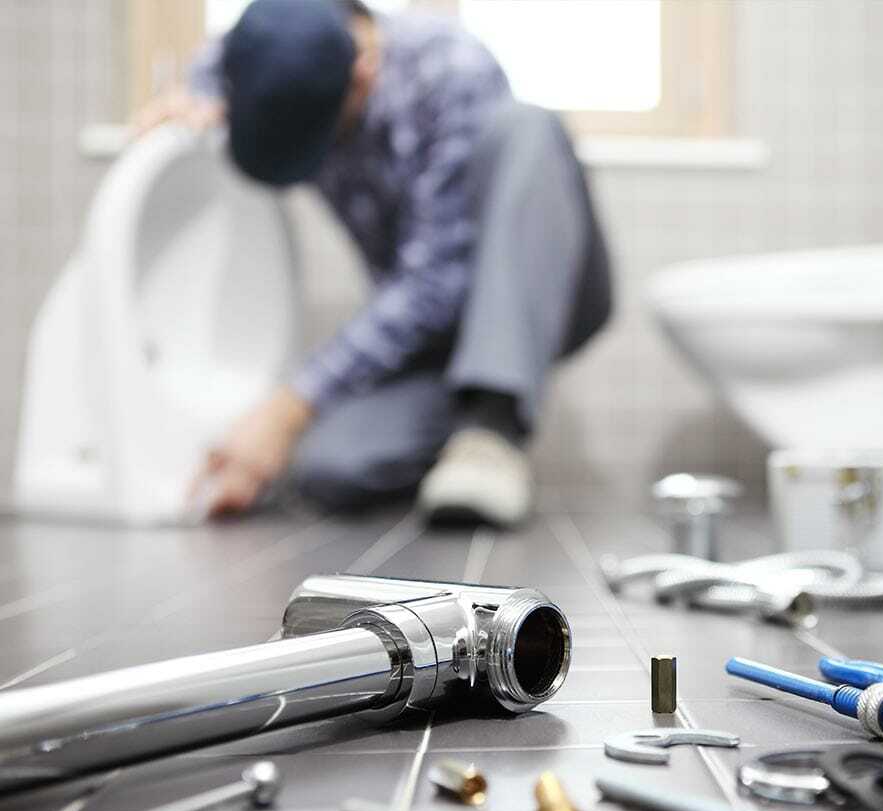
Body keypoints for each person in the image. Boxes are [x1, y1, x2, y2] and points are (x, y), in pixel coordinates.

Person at [141, 0, 612, 527]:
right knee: (330, 467)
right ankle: (460, 434)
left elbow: (435, 282)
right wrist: (194, 98)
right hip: (433, 340)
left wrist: (287, 408)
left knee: (526, 127)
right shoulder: (267, 49)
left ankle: (492, 428)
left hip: (538, 286)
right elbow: (218, 59)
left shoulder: (449, 68)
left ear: (363, 73)